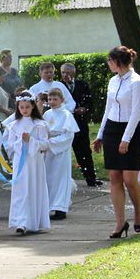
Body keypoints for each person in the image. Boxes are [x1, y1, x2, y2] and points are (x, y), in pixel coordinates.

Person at [92, 46, 140, 239]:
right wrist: (100, 134)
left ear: (119, 61)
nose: (108, 64)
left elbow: (135, 112)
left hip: (131, 129)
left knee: (129, 179)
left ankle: (138, 211)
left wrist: (126, 139)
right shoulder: (113, 81)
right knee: (115, 177)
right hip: (112, 130)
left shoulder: (137, 82)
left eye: (110, 60)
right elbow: (108, 109)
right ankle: (119, 222)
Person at [7, 92, 51, 234]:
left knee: (32, 188)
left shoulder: (40, 125)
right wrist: (20, 142)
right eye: (21, 107)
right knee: (20, 190)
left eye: (27, 107)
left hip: (34, 163)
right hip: (20, 161)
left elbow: (45, 145)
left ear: (32, 106)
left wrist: (30, 141)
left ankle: (32, 220)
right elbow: (10, 146)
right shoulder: (14, 125)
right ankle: (20, 221)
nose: (24, 110)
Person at [59, 64, 99, 186]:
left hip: (79, 122)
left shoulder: (82, 85)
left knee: (84, 150)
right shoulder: (59, 86)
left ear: (74, 73)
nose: (66, 75)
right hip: (64, 124)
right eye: (64, 73)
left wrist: (84, 109)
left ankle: (90, 178)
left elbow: (89, 103)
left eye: (69, 73)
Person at [43, 89, 80, 220]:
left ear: (61, 100)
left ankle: (60, 208)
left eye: (55, 99)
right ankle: (49, 205)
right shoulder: (47, 114)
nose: (52, 102)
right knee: (49, 177)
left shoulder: (66, 115)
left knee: (61, 177)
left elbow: (68, 135)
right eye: (50, 99)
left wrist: (53, 142)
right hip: (48, 150)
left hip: (60, 150)